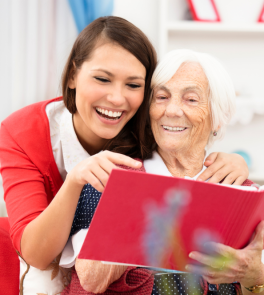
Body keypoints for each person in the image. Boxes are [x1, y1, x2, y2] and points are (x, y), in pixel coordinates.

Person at [43, 49, 264, 295]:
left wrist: (252, 274)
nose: (171, 110)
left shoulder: (241, 192)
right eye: (161, 97)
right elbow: (91, 278)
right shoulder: (112, 177)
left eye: (191, 99)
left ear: (217, 117)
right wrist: (145, 219)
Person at [0, 16, 249, 272]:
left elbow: (191, 154)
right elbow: (35, 255)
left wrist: (232, 161)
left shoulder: (151, 123)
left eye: (133, 85)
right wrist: (75, 180)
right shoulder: (21, 133)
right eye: (102, 79)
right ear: (73, 75)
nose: (117, 99)